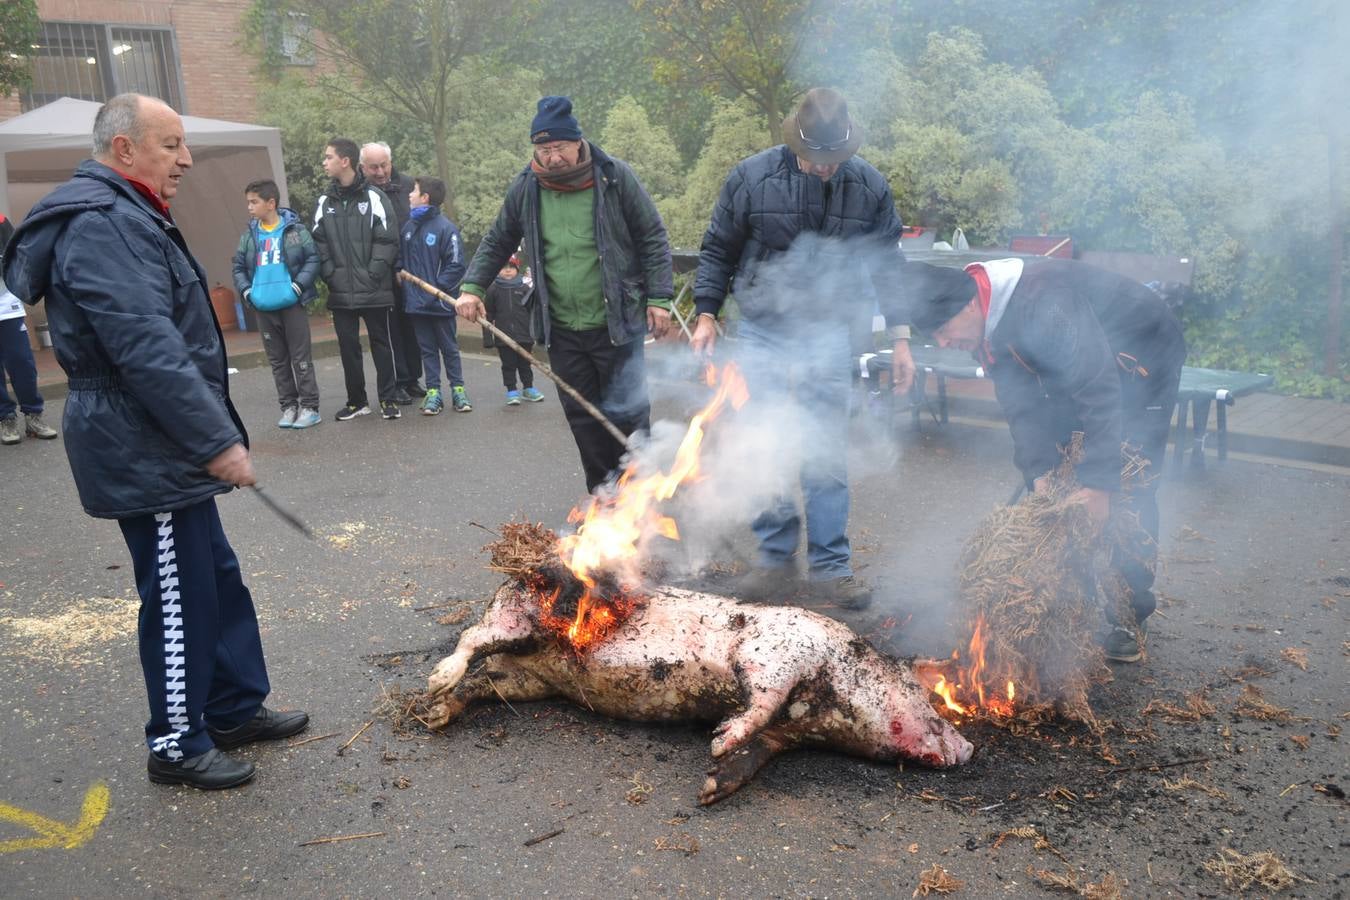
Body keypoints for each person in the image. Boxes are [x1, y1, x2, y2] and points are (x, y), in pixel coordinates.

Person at [2, 93, 309, 789]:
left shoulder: (127, 213)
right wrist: (216, 442)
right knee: (178, 595)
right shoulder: (102, 224)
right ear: (124, 150)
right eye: (170, 144)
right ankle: (175, 741)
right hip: (143, 441)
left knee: (214, 579)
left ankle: (230, 708)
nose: (187, 158)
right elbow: (145, 347)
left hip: (160, 437)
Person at [690, 88, 916, 610]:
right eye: (816, 159)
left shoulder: (869, 185)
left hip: (829, 334)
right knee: (762, 442)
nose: (824, 170)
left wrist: (901, 339)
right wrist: (705, 312)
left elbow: (890, 268)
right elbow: (718, 247)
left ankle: (831, 571)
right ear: (796, 142)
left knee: (824, 448)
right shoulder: (751, 176)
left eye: (834, 160)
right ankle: (774, 561)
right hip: (763, 331)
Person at [903, 256, 1186, 662]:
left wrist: (1101, 484)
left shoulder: (1043, 299)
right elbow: (1022, 407)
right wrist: (1039, 472)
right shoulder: (988, 327)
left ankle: (1129, 611)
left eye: (943, 332)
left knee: (1130, 477)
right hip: (1081, 368)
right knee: (1060, 475)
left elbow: (1098, 386)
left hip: (1142, 356)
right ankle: (1074, 604)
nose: (943, 344)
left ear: (969, 306)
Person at [454, 96, 673, 492]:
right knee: (582, 417)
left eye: (558, 148)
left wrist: (659, 297)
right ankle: (606, 498)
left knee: (629, 413)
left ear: (577, 142)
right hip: (561, 328)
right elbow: (498, 239)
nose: (552, 158)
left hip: (617, 323)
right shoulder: (526, 188)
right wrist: (471, 287)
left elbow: (652, 237)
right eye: (543, 149)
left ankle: (640, 499)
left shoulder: (614, 178)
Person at [313, 137, 401, 421]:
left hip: (374, 288)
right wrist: (330, 274)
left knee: (381, 343)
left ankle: (388, 399)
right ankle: (356, 401)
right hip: (340, 291)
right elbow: (319, 242)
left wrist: (373, 273)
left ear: (345, 161)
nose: (324, 163)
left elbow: (388, 239)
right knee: (348, 347)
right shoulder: (325, 202)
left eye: (328, 157)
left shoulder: (375, 197)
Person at [231, 178, 322, 429]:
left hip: (291, 304)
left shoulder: (295, 230)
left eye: (254, 202)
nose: (249, 207)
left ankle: (310, 407)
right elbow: (238, 266)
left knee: (300, 357)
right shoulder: (249, 235)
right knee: (278, 360)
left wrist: (298, 286)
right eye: (248, 202)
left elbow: (313, 259)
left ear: (271, 203)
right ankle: (289, 406)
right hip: (263, 307)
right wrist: (247, 291)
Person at [361, 141, 425, 404]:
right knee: (390, 331)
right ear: (362, 167)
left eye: (384, 165)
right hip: (380, 272)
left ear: (391, 161)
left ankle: (412, 378)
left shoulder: (409, 185)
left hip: (410, 270)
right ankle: (397, 381)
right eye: (373, 167)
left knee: (413, 327)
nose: (380, 172)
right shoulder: (361, 192)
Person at [398, 176, 469, 415]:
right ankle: (433, 393)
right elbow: (402, 261)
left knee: (449, 348)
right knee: (426, 350)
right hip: (416, 305)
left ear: (425, 197)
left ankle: (458, 391)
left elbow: (457, 264)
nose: (409, 194)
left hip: (440, 303)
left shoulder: (445, 228)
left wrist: (437, 289)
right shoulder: (408, 228)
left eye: (414, 191)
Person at [0, 213, 59, 446]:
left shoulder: (1, 220)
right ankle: (6, 418)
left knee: (22, 363)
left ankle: (33, 415)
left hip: (8, 307)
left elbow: (15, 255)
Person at [484, 254, 544, 405]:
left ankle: (528, 388)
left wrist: (536, 333)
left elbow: (533, 312)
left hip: (525, 335)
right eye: (504, 268)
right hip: (503, 337)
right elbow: (488, 314)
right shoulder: (493, 290)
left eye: (511, 267)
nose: (508, 271)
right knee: (508, 364)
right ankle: (511, 390)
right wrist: (488, 337)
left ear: (517, 269)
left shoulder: (525, 288)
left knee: (525, 364)